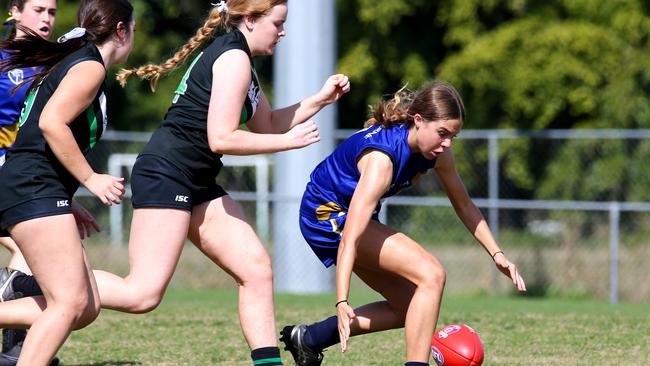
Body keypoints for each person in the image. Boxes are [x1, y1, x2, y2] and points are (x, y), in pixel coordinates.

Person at [85, 1, 349, 365]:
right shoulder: (232, 59)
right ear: (253, 20)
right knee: (141, 295)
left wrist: (320, 99)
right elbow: (221, 139)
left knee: (256, 269)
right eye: (278, 23)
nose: (283, 32)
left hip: (197, 181)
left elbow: (267, 124)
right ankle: (42, 284)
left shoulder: (243, 62)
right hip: (167, 173)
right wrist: (287, 143)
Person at [280, 82, 527, 366]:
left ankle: (309, 338)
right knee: (431, 274)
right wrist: (342, 300)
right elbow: (350, 238)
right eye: (443, 133)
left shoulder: (438, 153)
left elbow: (464, 204)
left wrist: (498, 254)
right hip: (325, 214)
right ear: (419, 121)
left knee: (412, 308)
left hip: (351, 215)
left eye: (453, 136)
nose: (447, 143)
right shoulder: (382, 160)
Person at [0, 0, 135, 364]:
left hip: (35, 186)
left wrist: (67, 199)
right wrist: (91, 179)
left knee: (85, 305)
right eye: (133, 30)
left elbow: (35, 135)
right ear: (121, 30)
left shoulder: (77, 60)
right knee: (70, 303)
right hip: (31, 186)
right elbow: (50, 124)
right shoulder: (88, 65)